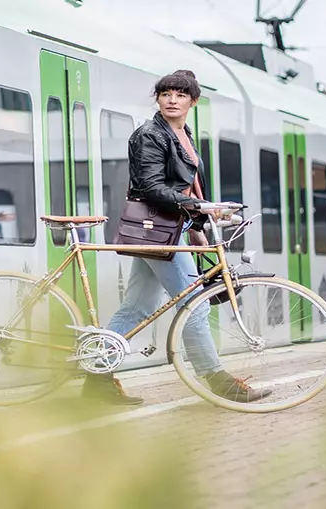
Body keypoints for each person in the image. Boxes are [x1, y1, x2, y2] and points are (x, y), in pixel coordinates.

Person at [81, 70, 272, 405]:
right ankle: (217, 381)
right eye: (166, 93)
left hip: (170, 227)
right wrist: (199, 206)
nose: (172, 99)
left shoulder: (182, 134)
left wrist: (197, 225)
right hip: (157, 230)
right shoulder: (150, 135)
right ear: (158, 99)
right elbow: (152, 187)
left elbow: (186, 184)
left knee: (137, 307)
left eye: (180, 95)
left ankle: (96, 380)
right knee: (194, 306)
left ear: (192, 101)